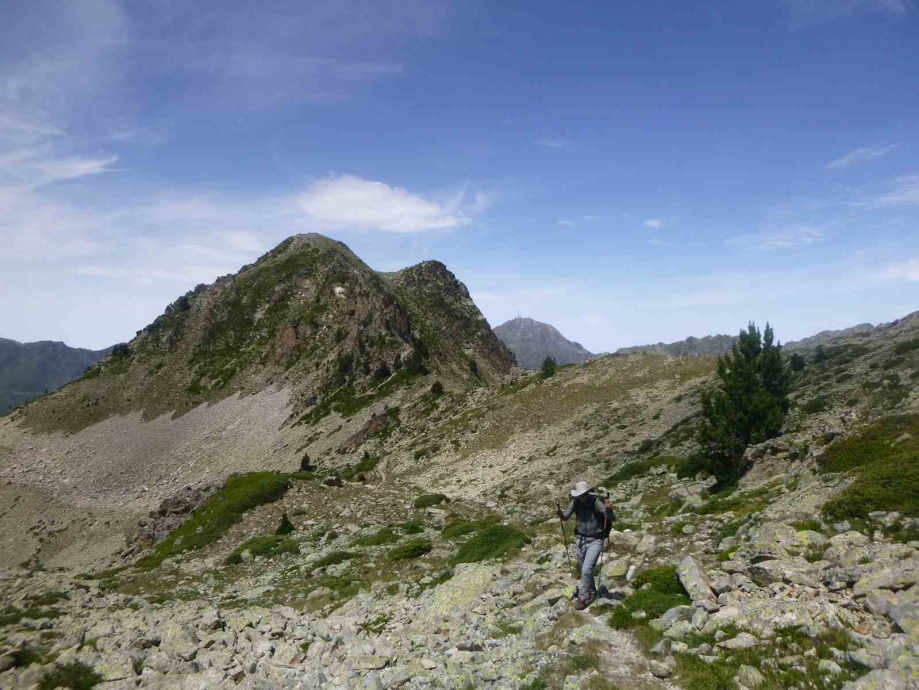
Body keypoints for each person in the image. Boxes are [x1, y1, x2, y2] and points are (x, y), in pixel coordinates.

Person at [558, 481, 615, 610]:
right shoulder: (575, 501)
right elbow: (566, 517)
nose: (582, 497)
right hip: (580, 539)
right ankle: (592, 592)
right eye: (580, 495)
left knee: (585, 570)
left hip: (595, 540)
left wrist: (609, 509)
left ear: (587, 493)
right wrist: (560, 513)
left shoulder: (596, 502)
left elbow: (612, 517)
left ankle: (583, 598)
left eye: (583, 494)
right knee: (585, 570)